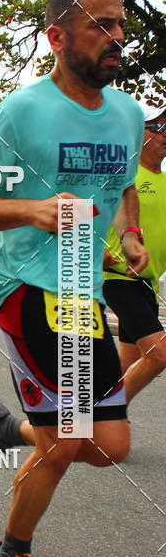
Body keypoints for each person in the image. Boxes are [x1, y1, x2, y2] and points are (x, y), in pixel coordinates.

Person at [0, 0, 147, 557]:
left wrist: (129, 233)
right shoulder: (21, 112)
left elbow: (118, 191)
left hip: (83, 292)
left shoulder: (129, 114)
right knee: (64, 440)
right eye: (101, 26)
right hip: (26, 288)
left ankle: (3, 428)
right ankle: (9, 554)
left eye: (120, 25)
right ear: (58, 38)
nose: (118, 38)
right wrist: (34, 211)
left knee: (107, 446)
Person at [102, 103, 166, 400]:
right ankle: (99, 417)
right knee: (159, 354)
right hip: (118, 278)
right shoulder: (122, 176)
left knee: (126, 370)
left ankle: (103, 423)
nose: (165, 135)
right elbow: (83, 210)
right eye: (159, 127)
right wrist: (93, 248)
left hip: (148, 285)